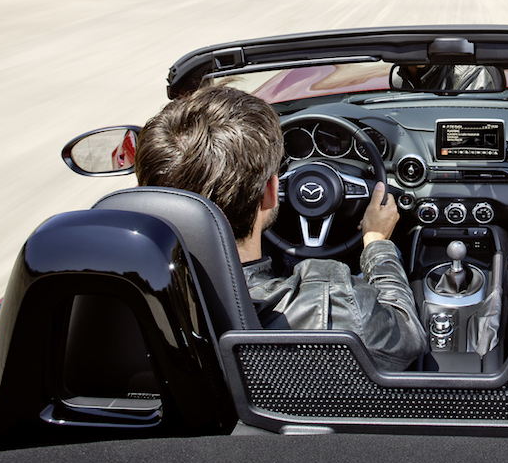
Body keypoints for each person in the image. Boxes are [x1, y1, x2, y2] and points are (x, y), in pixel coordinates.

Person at [133, 84, 427, 371]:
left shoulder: (126, 293)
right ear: (272, 191)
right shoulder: (329, 301)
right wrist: (376, 243)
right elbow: (407, 341)